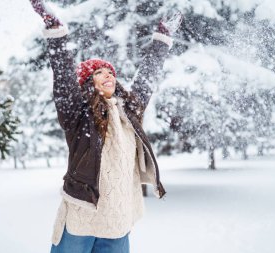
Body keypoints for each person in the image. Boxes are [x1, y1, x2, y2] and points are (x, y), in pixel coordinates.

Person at [29, 1, 182, 252]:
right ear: (88, 83)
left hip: (117, 218)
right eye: (99, 73)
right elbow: (65, 79)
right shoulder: (78, 116)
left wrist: (162, 38)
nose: (108, 75)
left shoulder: (128, 111)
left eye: (110, 72)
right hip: (84, 215)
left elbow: (146, 78)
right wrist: (56, 31)